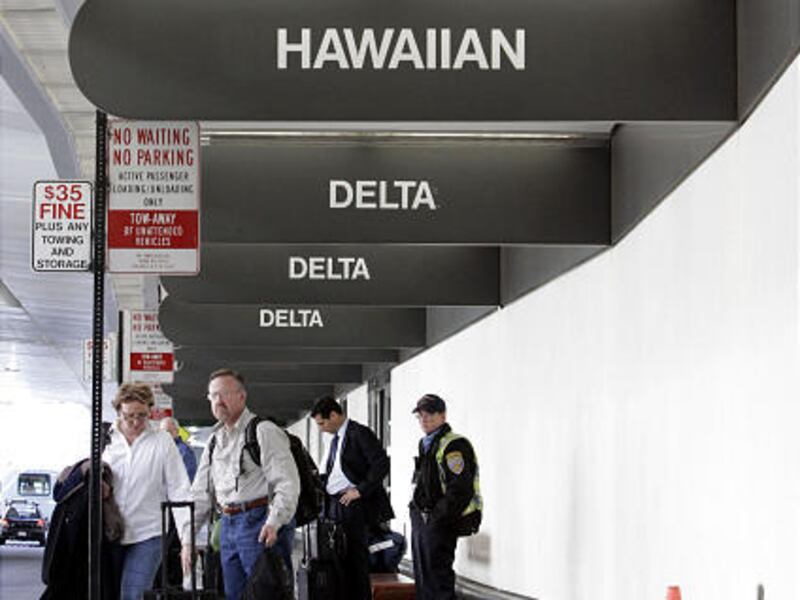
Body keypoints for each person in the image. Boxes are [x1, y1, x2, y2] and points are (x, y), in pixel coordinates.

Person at [181, 368, 299, 600]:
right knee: (234, 594)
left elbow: (287, 482)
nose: (218, 401)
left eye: (224, 394)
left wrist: (275, 522)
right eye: (213, 396)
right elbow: (201, 494)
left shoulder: (263, 431)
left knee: (267, 593)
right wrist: (188, 539)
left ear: (242, 396)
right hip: (227, 525)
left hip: (259, 523)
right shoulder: (214, 440)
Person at [103, 383, 192, 600]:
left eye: (142, 416)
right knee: (106, 592)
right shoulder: (105, 440)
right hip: (108, 532)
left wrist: (187, 540)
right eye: (129, 416)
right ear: (118, 412)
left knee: (132, 594)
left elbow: (179, 490)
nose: (135, 422)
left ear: (150, 411)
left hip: (148, 534)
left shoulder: (162, 441)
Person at [311, 395, 394, 600]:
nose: (321, 428)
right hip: (335, 504)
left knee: (355, 559)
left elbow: (381, 463)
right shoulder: (336, 439)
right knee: (338, 557)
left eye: (322, 423)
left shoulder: (359, 433)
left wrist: (360, 490)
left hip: (353, 504)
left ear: (334, 415)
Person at [409, 394, 482, 600]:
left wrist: (436, 518)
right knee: (423, 578)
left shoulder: (454, 445)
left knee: (437, 579)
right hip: (423, 519)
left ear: (443, 416)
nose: (424, 420)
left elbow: (460, 490)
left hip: (440, 521)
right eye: (420, 415)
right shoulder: (426, 443)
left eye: (429, 414)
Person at [160, 416, 198, 482]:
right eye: (162, 432)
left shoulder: (185, 451)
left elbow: (188, 479)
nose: (165, 435)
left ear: (177, 431)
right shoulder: (160, 449)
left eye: (168, 432)